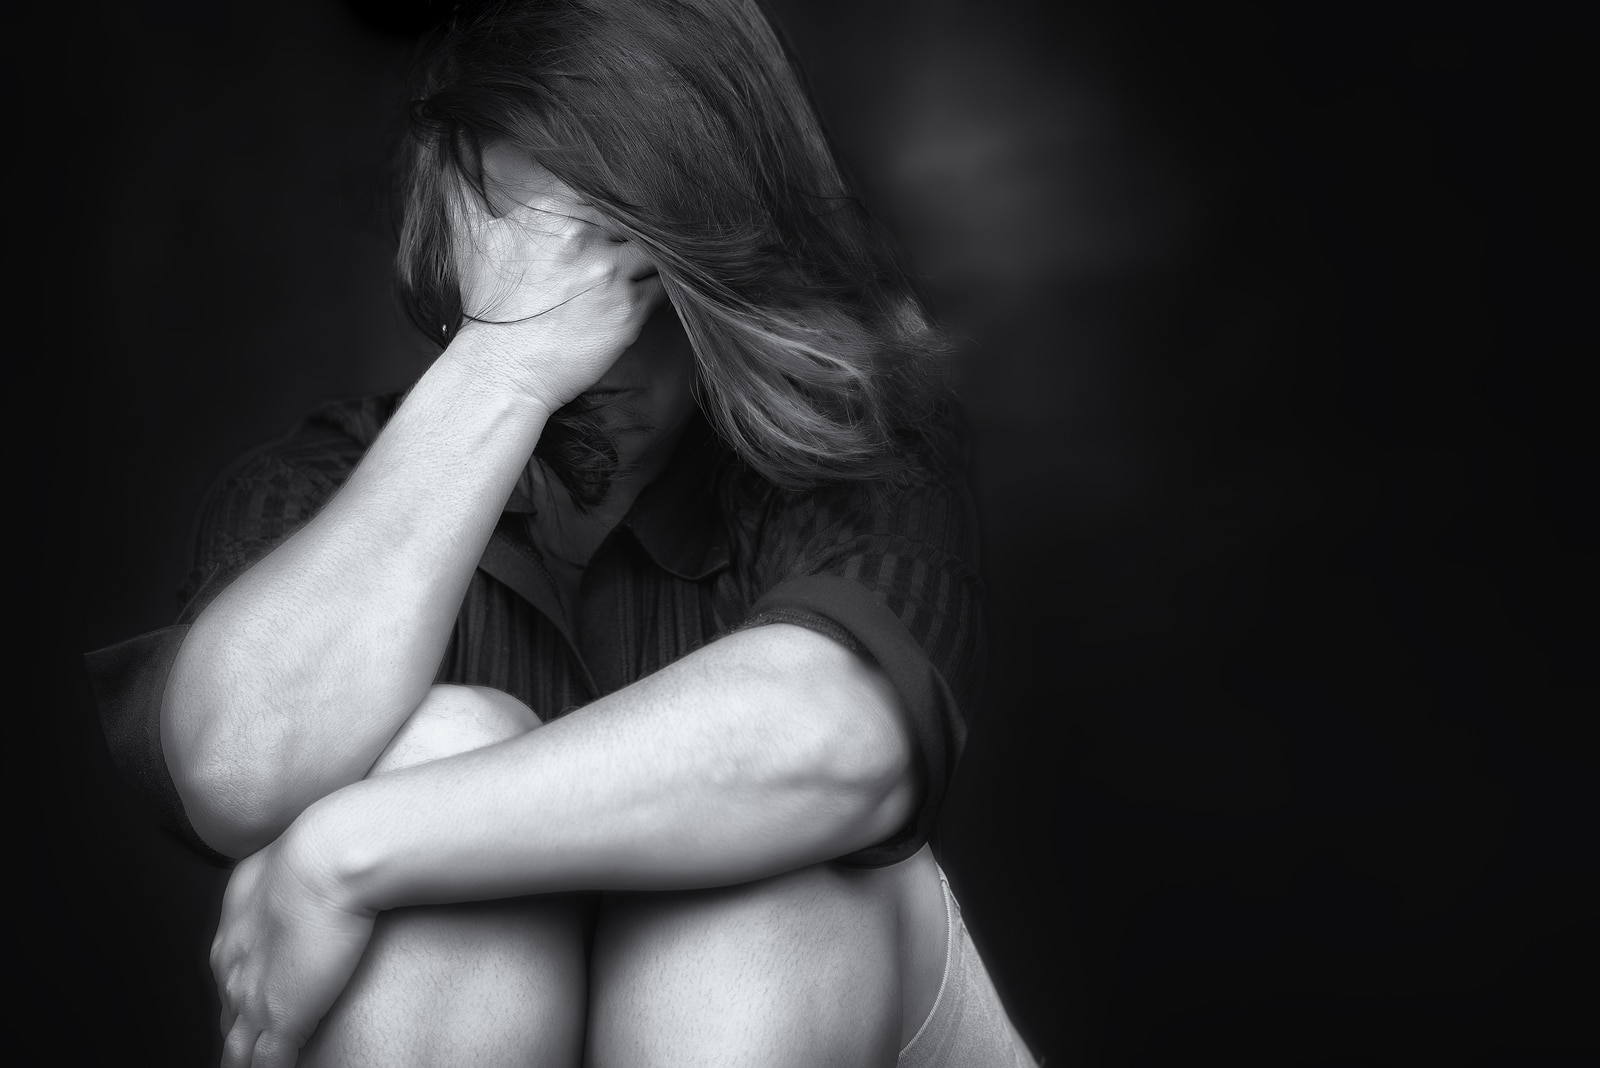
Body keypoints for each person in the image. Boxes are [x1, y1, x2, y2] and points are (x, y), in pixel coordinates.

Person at [86, 1, 1037, 1065]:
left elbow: (834, 746)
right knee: (440, 751)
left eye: (634, 273)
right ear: (455, 237)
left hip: (825, 985)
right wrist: (504, 365)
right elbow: (241, 767)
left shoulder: (848, 451)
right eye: (550, 278)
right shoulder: (318, 487)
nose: (602, 347)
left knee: (761, 880)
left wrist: (346, 851)